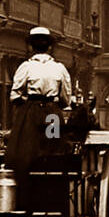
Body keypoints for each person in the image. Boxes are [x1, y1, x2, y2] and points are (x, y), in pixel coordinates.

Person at [7, 27, 74, 201]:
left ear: (31, 47)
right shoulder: (59, 69)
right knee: (53, 152)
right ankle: (52, 194)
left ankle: (24, 194)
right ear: (50, 47)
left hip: (30, 113)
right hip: (52, 115)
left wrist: (26, 103)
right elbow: (66, 98)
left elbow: (14, 94)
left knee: (24, 153)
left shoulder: (26, 67)